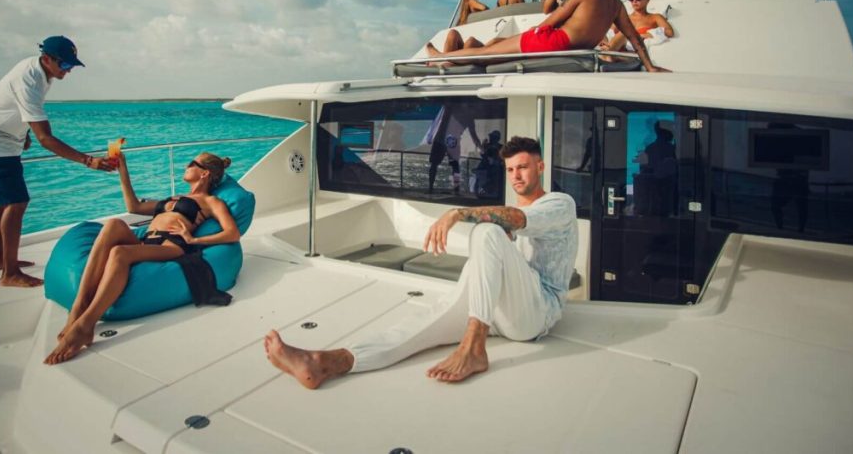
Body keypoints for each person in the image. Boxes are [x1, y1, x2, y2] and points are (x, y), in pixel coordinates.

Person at [265, 136, 577, 387]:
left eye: (523, 167)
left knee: (487, 230)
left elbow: (519, 218)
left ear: (541, 166)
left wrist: (456, 213)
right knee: (419, 325)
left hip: (537, 314)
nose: (516, 176)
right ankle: (329, 362)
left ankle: (473, 348)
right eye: (510, 170)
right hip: (501, 311)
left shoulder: (560, 204)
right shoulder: (508, 213)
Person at [45, 152, 240, 364]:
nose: (186, 165)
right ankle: (78, 307)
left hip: (171, 246)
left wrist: (193, 240)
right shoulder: (174, 198)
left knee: (119, 253)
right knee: (113, 225)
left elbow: (232, 233)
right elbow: (133, 207)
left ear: (204, 173)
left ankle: (86, 324)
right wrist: (123, 168)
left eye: (191, 163)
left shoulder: (211, 201)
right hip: (147, 242)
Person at [0, 36, 116, 288]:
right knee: (16, 202)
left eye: (71, 65)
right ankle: (10, 272)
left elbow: (17, 111)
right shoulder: (28, 80)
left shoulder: (42, 74)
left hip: (4, 138)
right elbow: (46, 139)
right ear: (47, 58)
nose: (68, 70)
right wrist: (88, 160)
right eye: (64, 65)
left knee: (2, 202)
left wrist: (23, 133)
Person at [425, 0, 668, 73]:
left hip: (553, 41)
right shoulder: (616, 4)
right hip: (567, 47)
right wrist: (650, 67)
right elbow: (635, 39)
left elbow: (552, 19)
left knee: (486, 51)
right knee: (493, 52)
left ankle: (442, 57)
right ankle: (449, 58)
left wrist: (530, 34)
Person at [600, 0, 675, 52]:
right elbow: (605, 30)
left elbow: (669, 32)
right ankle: (606, 52)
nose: (634, 1)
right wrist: (604, 40)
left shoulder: (655, 17)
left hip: (634, 54)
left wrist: (646, 35)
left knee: (624, 34)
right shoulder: (624, 17)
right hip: (617, 51)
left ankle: (606, 54)